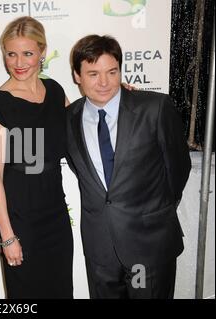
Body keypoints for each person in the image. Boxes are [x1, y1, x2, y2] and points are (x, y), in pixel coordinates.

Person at [65, 34, 191, 299]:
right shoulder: (67, 118)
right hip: (100, 250)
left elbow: (178, 168)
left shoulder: (154, 108)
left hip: (147, 247)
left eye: (112, 72)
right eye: (93, 73)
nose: (104, 82)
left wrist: (152, 212)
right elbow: (84, 175)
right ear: (77, 76)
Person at [0, 16, 74, 298]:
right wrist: (8, 237)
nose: (19, 62)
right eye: (11, 54)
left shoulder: (56, 92)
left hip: (57, 217)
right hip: (20, 221)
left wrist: (122, 98)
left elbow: (85, 129)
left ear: (43, 52)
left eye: (28, 53)